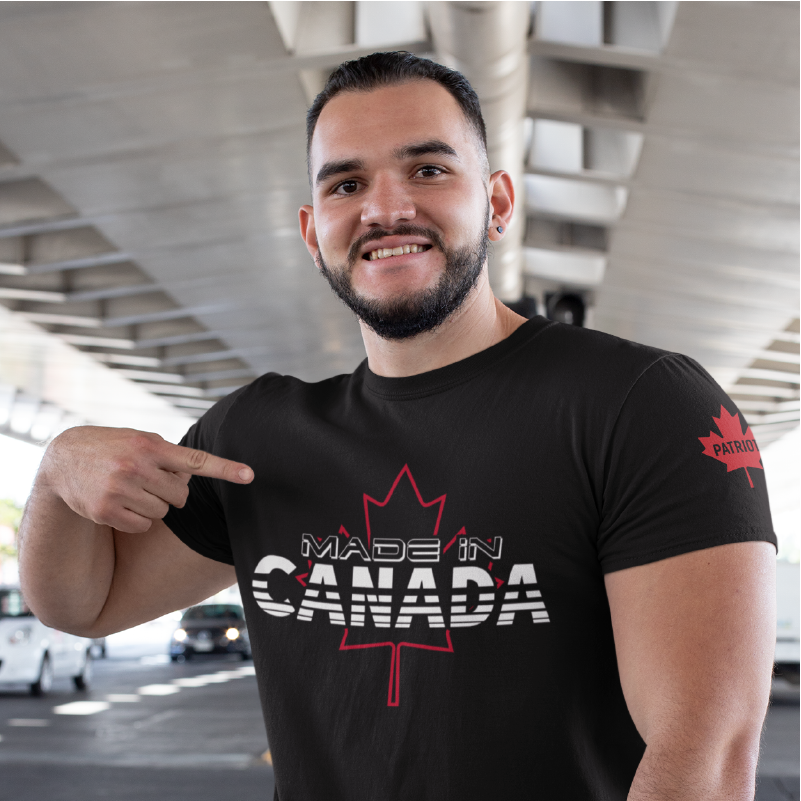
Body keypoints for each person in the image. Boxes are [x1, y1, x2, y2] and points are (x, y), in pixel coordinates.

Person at [19, 52, 776, 801]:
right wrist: (56, 471)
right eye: (347, 183)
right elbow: (84, 602)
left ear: (498, 202)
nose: (385, 208)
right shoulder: (258, 436)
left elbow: (704, 755)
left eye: (428, 170)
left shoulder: (641, 404)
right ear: (314, 231)